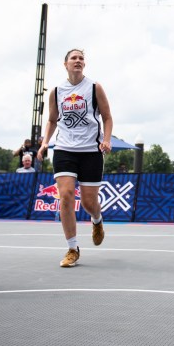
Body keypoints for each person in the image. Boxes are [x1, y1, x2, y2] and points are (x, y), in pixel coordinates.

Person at [36, 48, 113, 268]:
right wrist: (44, 143)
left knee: (89, 202)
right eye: (74, 58)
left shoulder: (94, 87)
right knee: (67, 196)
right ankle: (72, 248)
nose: (78, 61)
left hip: (91, 150)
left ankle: (97, 221)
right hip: (64, 149)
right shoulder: (57, 91)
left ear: (84, 64)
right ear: (65, 64)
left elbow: (107, 117)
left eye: (81, 58)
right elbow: (52, 120)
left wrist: (106, 140)